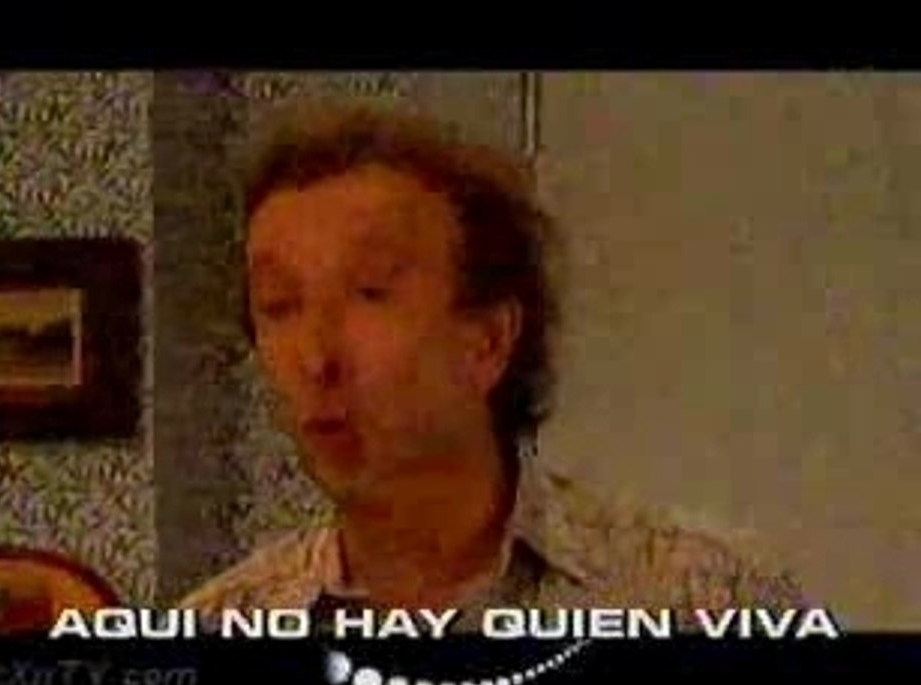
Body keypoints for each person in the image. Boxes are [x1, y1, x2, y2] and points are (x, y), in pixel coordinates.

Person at [177, 103, 805, 631]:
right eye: (279, 306)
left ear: (488, 341)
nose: (316, 359)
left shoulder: (700, 602)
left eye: (370, 293)